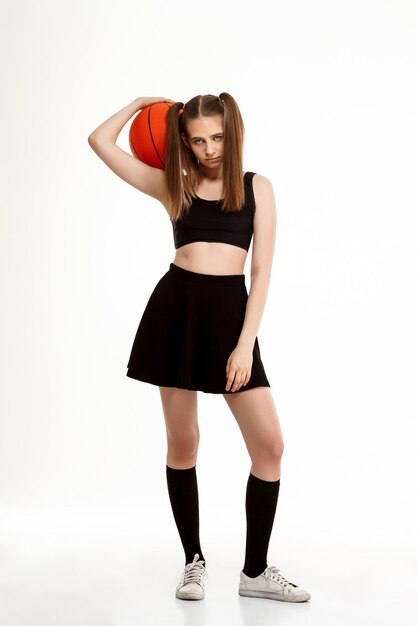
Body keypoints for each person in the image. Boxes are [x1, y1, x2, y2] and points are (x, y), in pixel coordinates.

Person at [88, 93, 311, 603]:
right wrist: (140, 104)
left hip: (232, 319)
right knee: (183, 443)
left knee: (269, 446)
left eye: (216, 137)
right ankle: (193, 562)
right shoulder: (175, 186)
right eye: (196, 140)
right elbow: (99, 142)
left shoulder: (258, 188)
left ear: (231, 133)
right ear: (182, 142)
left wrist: (244, 345)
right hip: (178, 312)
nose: (209, 148)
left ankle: (255, 571)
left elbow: (261, 272)